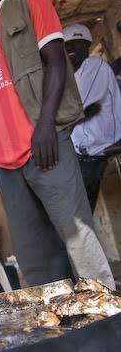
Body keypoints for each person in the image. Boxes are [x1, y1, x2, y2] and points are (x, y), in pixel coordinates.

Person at [0, 0, 115, 289]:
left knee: (79, 239)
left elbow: (57, 62)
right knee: (35, 257)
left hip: (46, 145)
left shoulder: (29, 0)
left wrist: (45, 126)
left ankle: (109, 321)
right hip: (4, 164)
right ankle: (64, 328)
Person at [64, 23, 121, 212]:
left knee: (79, 214)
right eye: (67, 45)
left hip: (101, 147)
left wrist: (66, 122)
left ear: (87, 46)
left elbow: (80, 110)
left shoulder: (94, 65)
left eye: (77, 44)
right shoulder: (71, 77)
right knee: (78, 213)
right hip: (85, 154)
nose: (71, 49)